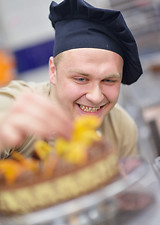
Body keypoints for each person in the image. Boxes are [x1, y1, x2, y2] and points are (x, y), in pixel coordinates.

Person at [0, 0, 143, 159]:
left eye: (109, 80)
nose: (95, 97)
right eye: (81, 79)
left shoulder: (121, 128)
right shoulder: (17, 108)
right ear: (53, 71)